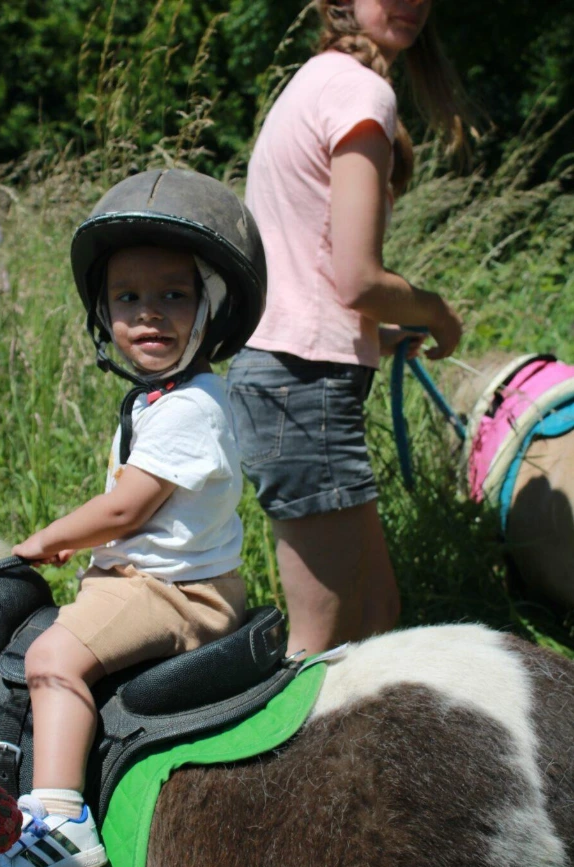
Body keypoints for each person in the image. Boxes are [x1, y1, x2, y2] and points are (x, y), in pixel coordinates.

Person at [0, 169, 267, 867]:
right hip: (159, 578)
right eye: (127, 298)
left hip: (173, 593)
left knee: (53, 657)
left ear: (212, 308)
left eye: (174, 296)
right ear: (104, 313)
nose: (148, 314)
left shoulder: (189, 406)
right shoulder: (164, 398)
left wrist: (47, 537)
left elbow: (128, 509)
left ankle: (59, 820)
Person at [227, 0, 470, 657]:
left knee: (376, 616)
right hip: (301, 384)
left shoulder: (317, 79)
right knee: (322, 645)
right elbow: (358, 281)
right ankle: (276, 730)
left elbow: (304, 272)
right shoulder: (361, 90)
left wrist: (376, 340)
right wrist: (437, 312)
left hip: (291, 373)